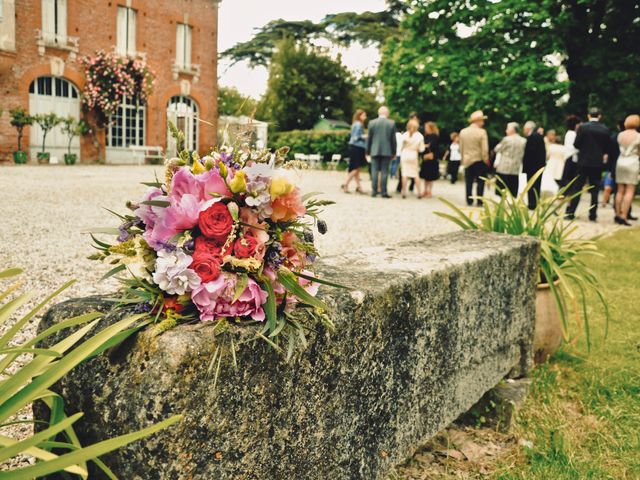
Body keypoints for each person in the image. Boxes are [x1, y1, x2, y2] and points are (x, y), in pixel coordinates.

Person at [565, 107, 613, 222]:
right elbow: (607, 148)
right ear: (599, 116)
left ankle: (571, 212)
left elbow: (576, 144)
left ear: (588, 115)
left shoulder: (583, 127)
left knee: (577, 188)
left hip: (583, 162)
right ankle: (593, 214)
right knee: (595, 190)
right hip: (597, 163)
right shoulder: (605, 129)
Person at [614, 114, 640, 225]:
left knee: (620, 190)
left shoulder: (620, 135)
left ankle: (617, 214)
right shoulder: (638, 136)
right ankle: (624, 215)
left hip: (620, 161)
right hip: (632, 162)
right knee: (630, 190)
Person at [459, 110, 490, 206]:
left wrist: (463, 160)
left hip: (467, 160)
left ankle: (469, 200)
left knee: (469, 182)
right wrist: (486, 160)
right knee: (480, 182)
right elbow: (484, 149)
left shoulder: (463, 132)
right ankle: (479, 201)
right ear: (477, 121)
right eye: (482, 120)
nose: (483, 123)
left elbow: (461, 148)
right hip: (479, 160)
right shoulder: (482, 132)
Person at [366, 106, 397, 198]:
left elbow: (369, 138)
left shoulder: (372, 123)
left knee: (374, 171)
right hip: (387, 151)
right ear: (387, 113)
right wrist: (394, 152)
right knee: (384, 172)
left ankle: (374, 191)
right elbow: (393, 140)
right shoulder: (391, 123)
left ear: (378, 113)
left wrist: (367, 151)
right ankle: (383, 192)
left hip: (374, 150)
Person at [494, 122, 526, 197]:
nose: (506, 131)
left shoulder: (507, 139)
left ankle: (501, 203)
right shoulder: (523, 141)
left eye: (507, 129)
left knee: (501, 189)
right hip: (515, 168)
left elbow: (497, 149)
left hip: (504, 167)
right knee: (513, 189)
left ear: (513, 130)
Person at [522, 120, 547, 209]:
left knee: (531, 185)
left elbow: (529, 154)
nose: (523, 130)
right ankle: (535, 202)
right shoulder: (539, 136)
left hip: (532, 166)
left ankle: (532, 204)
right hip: (539, 165)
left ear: (528, 128)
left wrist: (525, 166)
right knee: (537, 185)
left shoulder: (532, 137)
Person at [342, 109, 367, 194]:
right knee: (356, 167)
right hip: (357, 147)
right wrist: (365, 136)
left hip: (354, 147)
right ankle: (346, 184)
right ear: (360, 116)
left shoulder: (355, 124)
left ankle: (359, 187)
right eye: (364, 115)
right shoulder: (358, 124)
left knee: (357, 168)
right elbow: (356, 137)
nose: (365, 117)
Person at [399, 119, 425, 198]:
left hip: (405, 154)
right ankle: (419, 192)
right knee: (415, 174)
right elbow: (422, 149)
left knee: (404, 174)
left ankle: (404, 192)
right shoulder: (419, 136)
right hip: (413, 154)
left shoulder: (404, 135)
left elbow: (400, 147)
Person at [420, 121, 440, 198]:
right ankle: (425, 190)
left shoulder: (434, 136)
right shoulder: (426, 136)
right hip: (426, 159)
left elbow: (432, 146)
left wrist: (425, 146)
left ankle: (429, 191)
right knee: (426, 177)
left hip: (432, 159)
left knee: (430, 177)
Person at [560, 115, 580, 189]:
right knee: (569, 178)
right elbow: (574, 147)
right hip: (571, 157)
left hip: (570, 157)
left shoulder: (570, 133)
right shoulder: (572, 134)